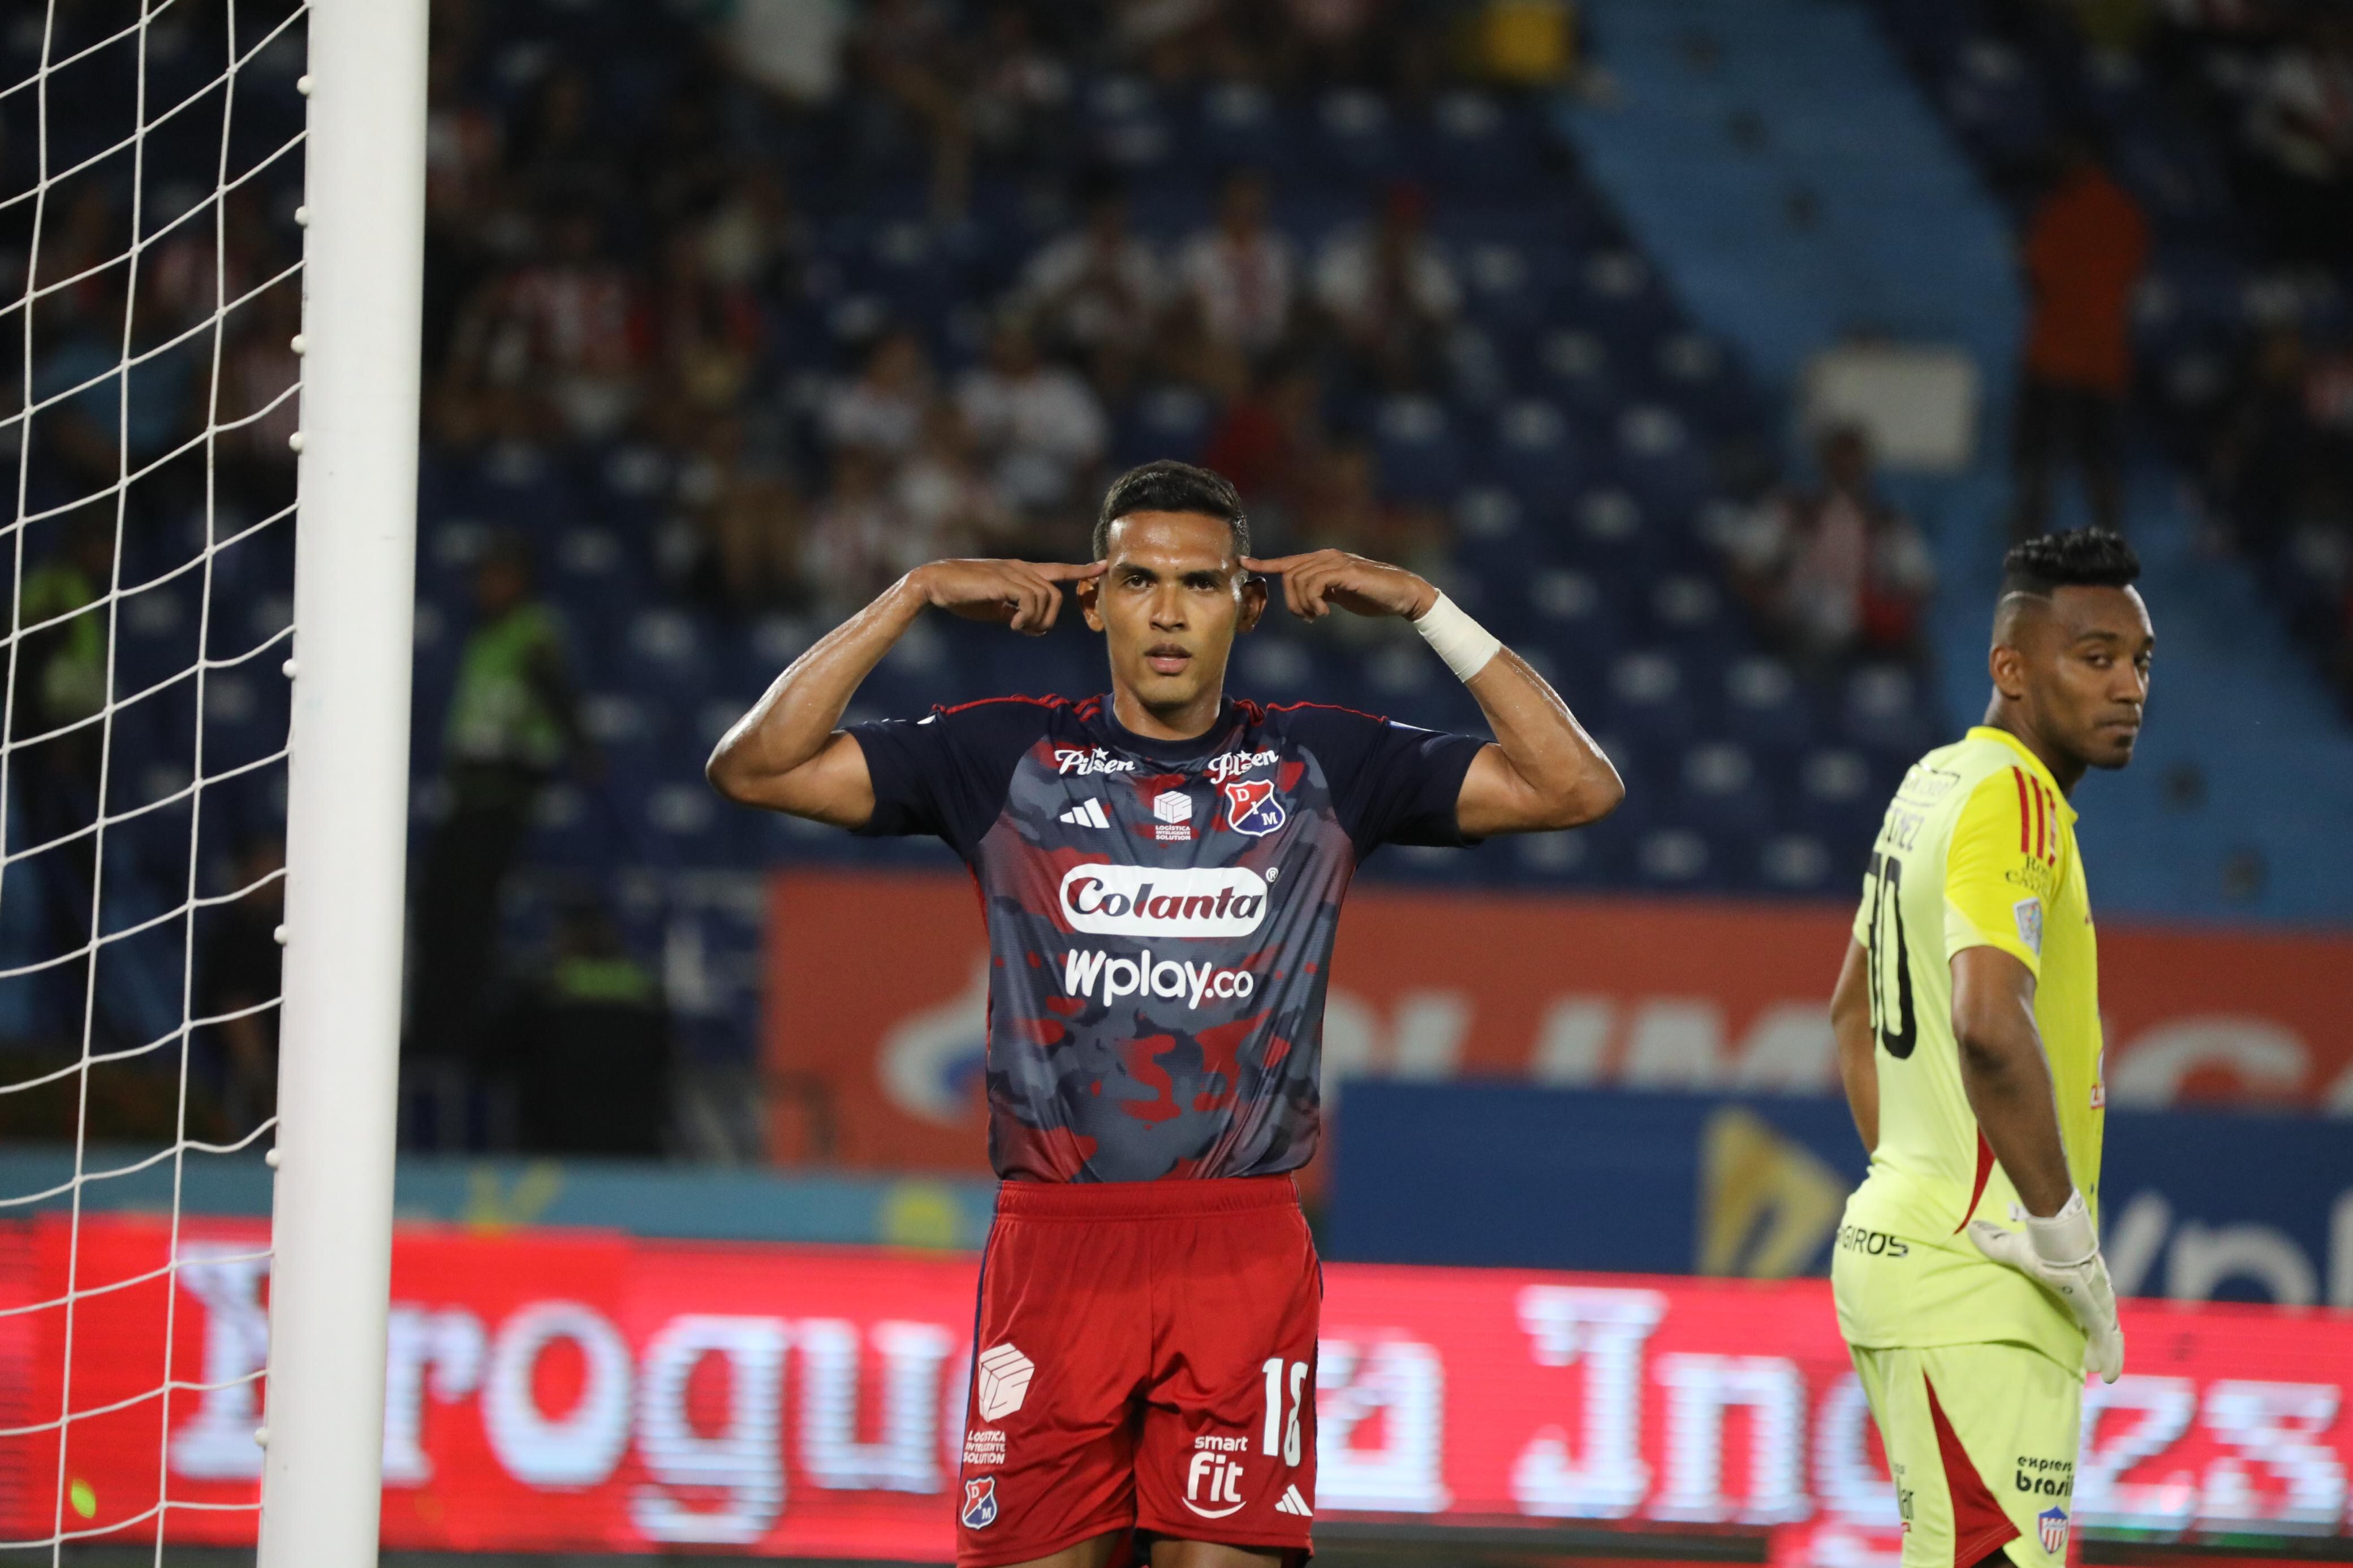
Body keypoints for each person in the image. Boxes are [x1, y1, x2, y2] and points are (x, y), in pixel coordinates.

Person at [706, 460, 1622, 1568]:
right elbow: (755, 767)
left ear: (1245, 598)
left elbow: (1576, 787)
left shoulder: (1321, 761)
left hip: (1239, 1249)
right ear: (1093, 598)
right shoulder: (1004, 753)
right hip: (1056, 1247)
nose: (1170, 610)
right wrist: (909, 595)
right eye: (1139, 580)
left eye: (1199, 583)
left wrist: (1427, 607)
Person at [1826, 528, 2149, 1568]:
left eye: (2141, 661)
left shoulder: (1933, 780)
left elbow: (1848, 1012)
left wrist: (1916, 1186)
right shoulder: (2015, 797)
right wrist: (2066, 1243)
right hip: (1981, 1288)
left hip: (1918, 1255)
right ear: (2012, 667)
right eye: (2094, 657)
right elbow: (1985, 1022)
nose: (2128, 686)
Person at [409, 536, 589, 1066]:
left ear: (519, 579)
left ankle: (454, 1039)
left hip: (501, 795)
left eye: (496, 575)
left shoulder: (531, 628)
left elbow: (552, 686)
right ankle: (435, 1031)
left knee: (467, 919)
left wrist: (580, 745)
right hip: (468, 792)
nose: (484, 586)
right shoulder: (481, 636)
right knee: (441, 915)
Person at [2011, 140, 2149, 538]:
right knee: (2099, 462)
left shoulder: (2056, 208)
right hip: (2104, 360)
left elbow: (2035, 274)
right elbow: (2134, 276)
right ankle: (2111, 546)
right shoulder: (2129, 212)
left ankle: (2027, 540)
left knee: (2039, 461)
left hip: (2053, 355)